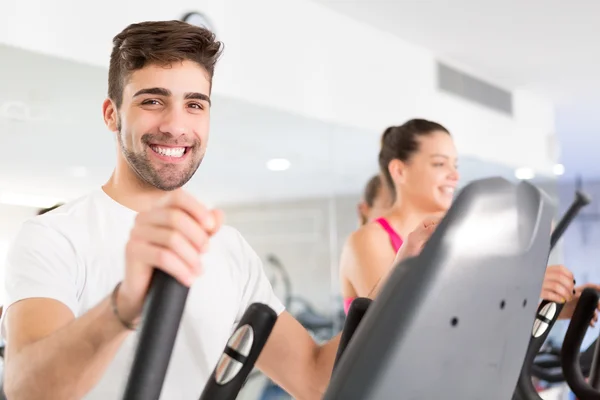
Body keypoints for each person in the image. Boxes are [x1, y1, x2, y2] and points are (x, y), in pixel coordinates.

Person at [0, 20, 387, 400]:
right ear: (111, 114)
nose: (176, 125)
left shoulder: (228, 247)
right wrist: (124, 304)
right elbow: (26, 391)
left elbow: (314, 379)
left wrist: (403, 279)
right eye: (152, 101)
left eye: (194, 104)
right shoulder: (54, 236)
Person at [339, 118, 600, 322]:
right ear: (399, 170)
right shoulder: (369, 240)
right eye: (440, 164)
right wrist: (519, 289)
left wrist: (559, 305)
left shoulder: (453, 239)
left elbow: (479, 314)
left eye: (455, 165)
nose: (454, 175)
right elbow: (396, 325)